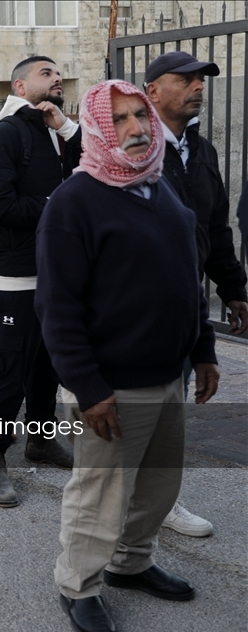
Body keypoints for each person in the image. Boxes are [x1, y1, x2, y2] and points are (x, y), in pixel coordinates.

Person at [36, 79, 219, 632]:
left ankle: (132, 563)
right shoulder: (75, 201)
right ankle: (79, 585)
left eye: (141, 115)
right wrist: (88, 388)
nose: (137, 128)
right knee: (100, 492)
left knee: (158, 487)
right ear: (95, 128)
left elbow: (188, 278)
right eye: (120, 120)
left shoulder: (160, 189)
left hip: (169, 377)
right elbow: (57, 308)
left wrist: (203, 347)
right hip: (111, 388)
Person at [143, 51, 248, 538]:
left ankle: (160, 502)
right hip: (137, 309)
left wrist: (233, 290)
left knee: (172, 407)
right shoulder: (132, 149)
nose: (197, 87)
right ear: (152, 91)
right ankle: (118, 507)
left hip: (186, 304)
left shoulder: (200, 150)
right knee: (133, 411)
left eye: (200, 80)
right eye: (183, 80)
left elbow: (215, 227)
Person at [0, 56, 81, 506]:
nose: (57, 80)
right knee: (8, 369)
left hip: (54, 273)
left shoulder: (54, 131)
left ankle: (40, 439)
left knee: (47, 365)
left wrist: (68, 127)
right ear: (20, 85)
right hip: (13, 273)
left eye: (59, 75)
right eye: (46, 74)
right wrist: (54, 205)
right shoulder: (6, 134)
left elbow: (94, 169)